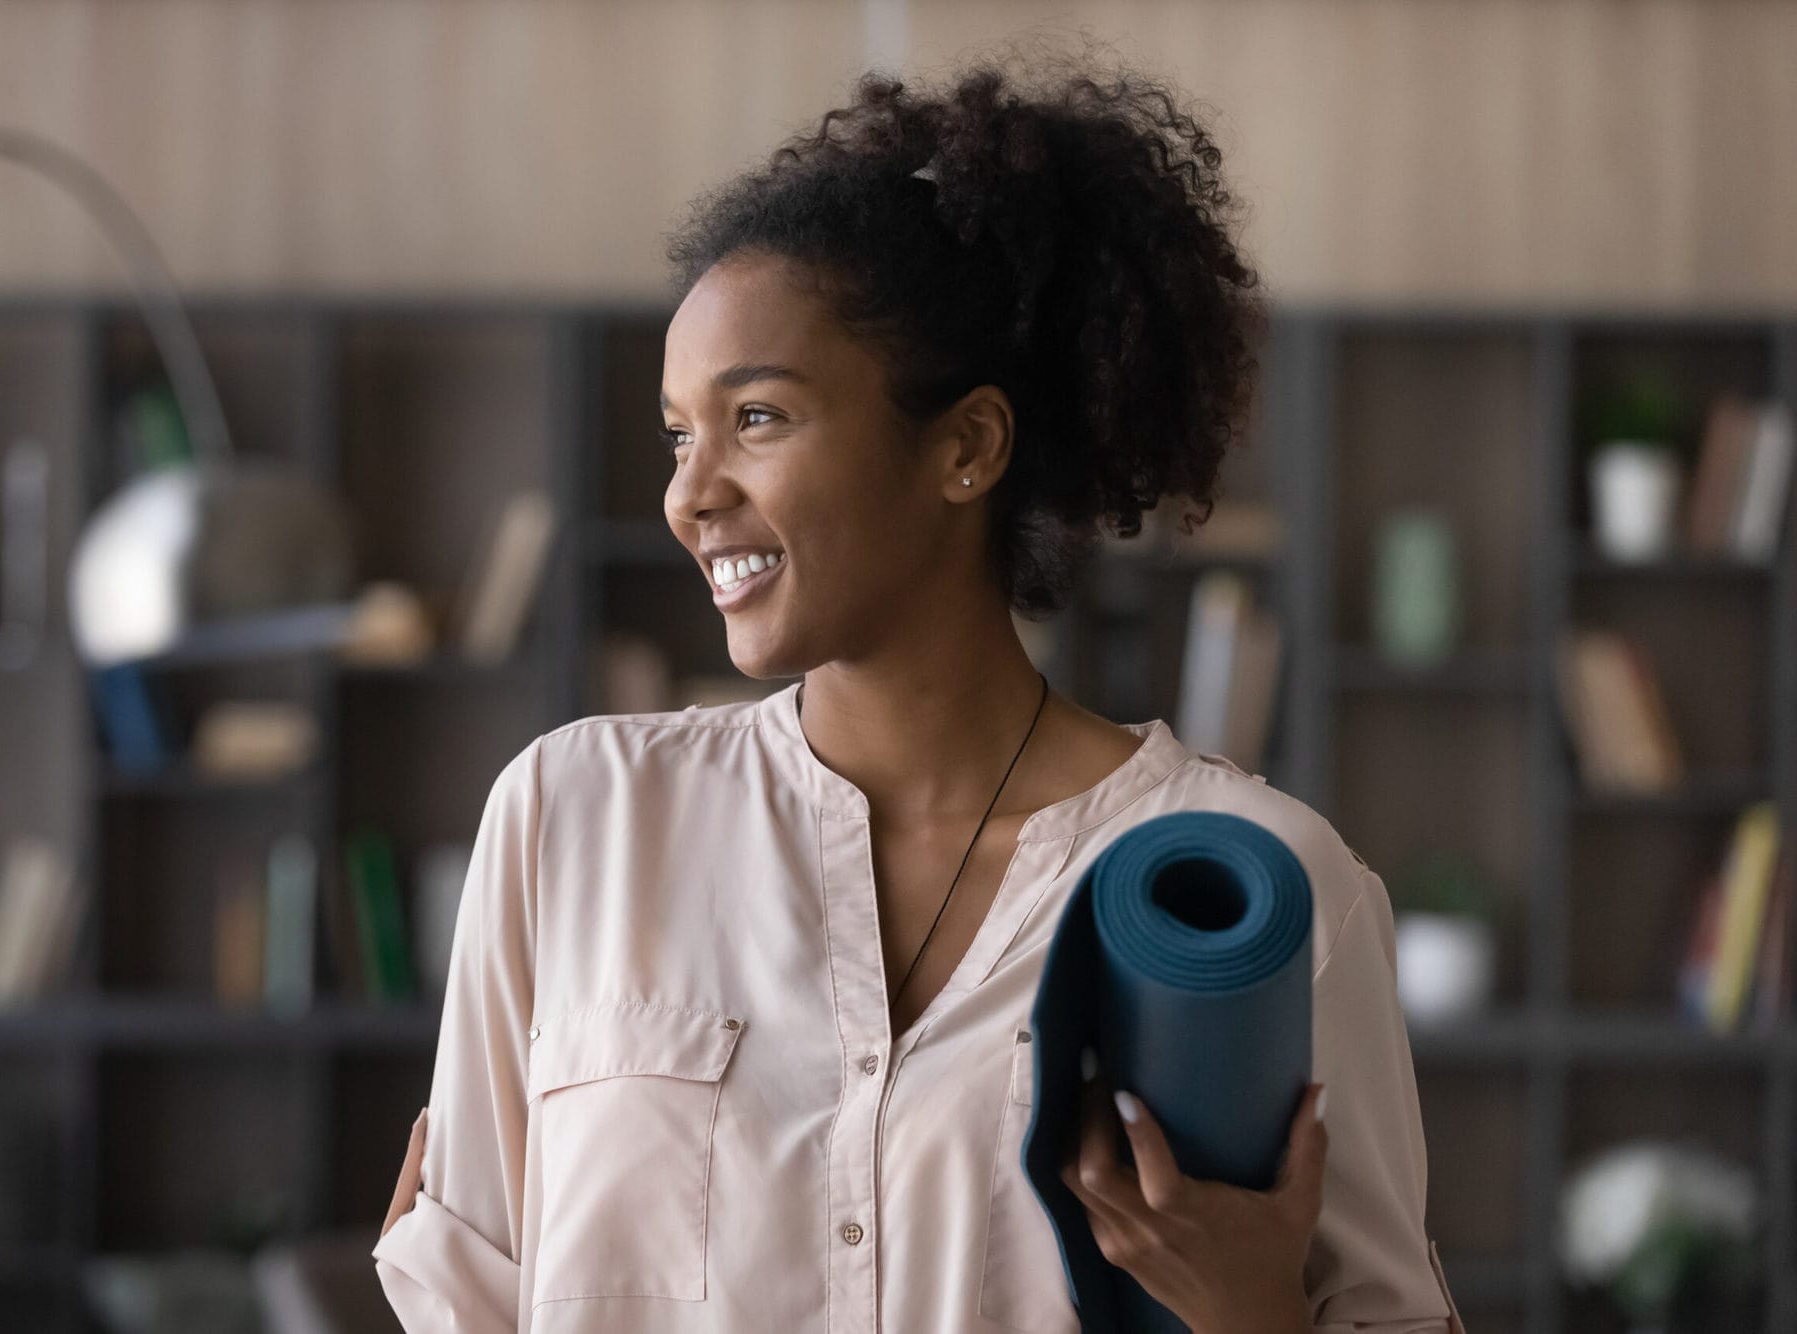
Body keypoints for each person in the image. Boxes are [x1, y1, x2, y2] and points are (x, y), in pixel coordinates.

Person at [372, 44, 1465, 1334]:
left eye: (758, 417)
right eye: (680, 433)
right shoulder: (574, 818)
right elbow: (470, 1293)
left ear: (967, 446)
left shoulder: (1259, 881)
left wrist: (1251, 1315)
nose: (689, 493)